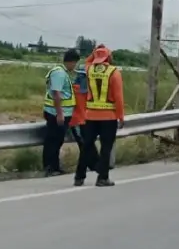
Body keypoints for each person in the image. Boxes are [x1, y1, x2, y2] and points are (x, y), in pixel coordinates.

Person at [73, 44, 124, 187]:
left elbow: (87, 61)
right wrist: (121, 116)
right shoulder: (114, 72)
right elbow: (118, 97)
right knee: (106, 147)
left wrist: (94, 52)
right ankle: (102, 178)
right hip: (108, 116)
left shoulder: (89, 69)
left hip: (90, 116)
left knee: (86, 146)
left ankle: (79, 177)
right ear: (109, 57)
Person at [41, 49, 80, 177]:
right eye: (75, 63)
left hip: (58, 112)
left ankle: (55, 166)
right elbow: (56, 93)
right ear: (72, 62)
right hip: (56, 113)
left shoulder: (62, 72)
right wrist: (60, 113)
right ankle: (50, 167)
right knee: (53, 140)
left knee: (57, 141)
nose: (75, 67)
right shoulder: (59, 73)